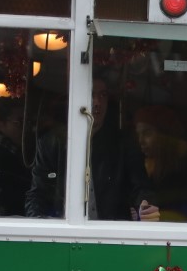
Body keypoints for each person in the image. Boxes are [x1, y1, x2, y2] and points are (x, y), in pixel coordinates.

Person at [26, 78, 158, 221]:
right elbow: (37, 193)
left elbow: (140, 186)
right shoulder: (51, 142)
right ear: (75, 98)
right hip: (65, 235)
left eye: (103, 95)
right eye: (90, 95)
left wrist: (145, 203)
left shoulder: (122, 142)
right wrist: (37, 226)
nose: (97, 102)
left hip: (111, 233)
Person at [132, 104, 187, 222]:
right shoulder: (142, 166)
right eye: (138, 134)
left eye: (147, 133)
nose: (140, 141)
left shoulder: (185, 171)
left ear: (165, 136)